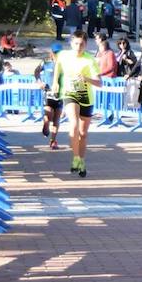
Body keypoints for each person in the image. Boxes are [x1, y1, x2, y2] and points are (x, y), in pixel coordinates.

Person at [53, 29, 101, 177]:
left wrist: (86, 79)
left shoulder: (90, 60)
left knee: (83, 133)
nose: (78, 47)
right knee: (73, 125)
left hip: (86, 97)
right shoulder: (63, 55)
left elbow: (100, 83)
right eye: (76, 44)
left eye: (81, 44)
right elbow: (58, 68)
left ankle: (81, 160)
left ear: (86, 45)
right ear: (71, 43)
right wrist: (55, 82)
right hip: (69, 94)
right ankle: (75, 158)